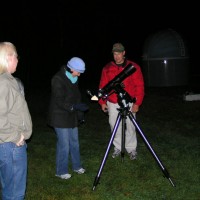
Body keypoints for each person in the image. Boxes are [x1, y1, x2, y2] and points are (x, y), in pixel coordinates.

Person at [98, 43, 145, 160]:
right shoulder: (107, 68)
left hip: (129, 101)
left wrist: (137, 103)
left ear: (124, 53)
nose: (117, 56)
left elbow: (139, 86)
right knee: (114, 125)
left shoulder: (133, 67)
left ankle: (131, 148)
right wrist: (102, 102)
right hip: (113, 101)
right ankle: (118, 147)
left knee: (130, 125)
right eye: (115, 54)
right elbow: (103, 85)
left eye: (119, 53)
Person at [0, 42, 32, 200]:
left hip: (7, 145)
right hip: (11, 146)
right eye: (16, 56)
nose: (18, 60)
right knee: (15, 193)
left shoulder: (8, 81)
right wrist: (15, 136)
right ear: (8, 58)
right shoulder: (4, 83)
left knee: (9, 189)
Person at [47, 57, 89, 180]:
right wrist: (74, 107)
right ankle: (61, 171)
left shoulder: (74, 78)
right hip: (59, 115)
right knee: (64, 144)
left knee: (74, 142)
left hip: (71, 115)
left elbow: (76, 96)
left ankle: (77, 166)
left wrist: (79, 110)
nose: (80, 74)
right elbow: (59, 100)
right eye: (78, 71)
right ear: (72, 69)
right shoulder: (58, 79)